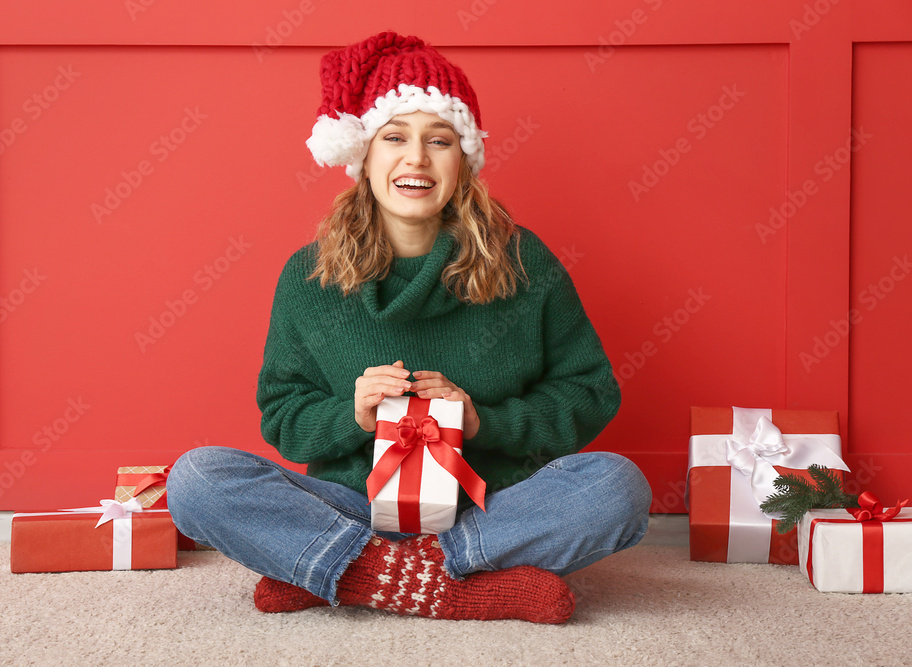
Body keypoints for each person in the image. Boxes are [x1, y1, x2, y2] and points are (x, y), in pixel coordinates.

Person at [167, 31, 651, 625]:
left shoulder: (525, 262)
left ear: (463, 160)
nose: (416, 159)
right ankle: (452, 583)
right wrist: (352, 414)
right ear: (364, 156)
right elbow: (283, 419)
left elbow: (590, 392)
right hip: (352, 506)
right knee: (197, 480)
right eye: (394, 138)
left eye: (438, 141)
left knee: (616, 488)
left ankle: (344, 574)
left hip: (488, 506)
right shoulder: (308, 276)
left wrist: (483, 421)